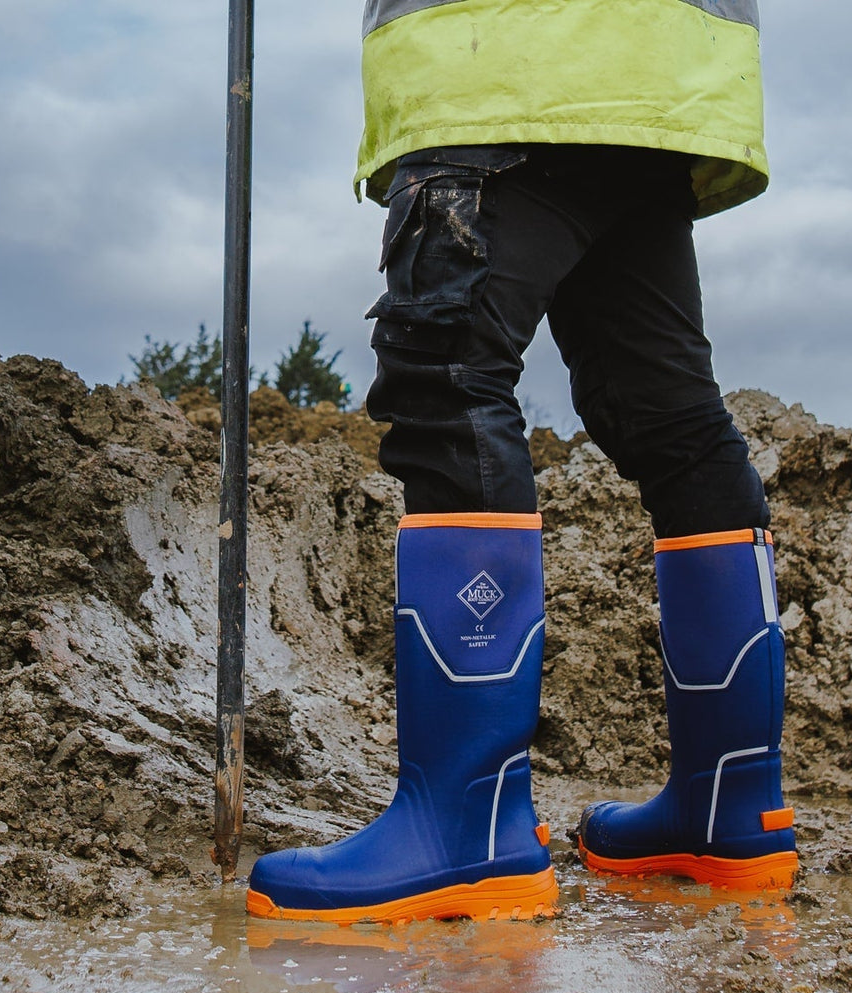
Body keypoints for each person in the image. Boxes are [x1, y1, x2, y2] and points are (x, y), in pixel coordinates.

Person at [246, 0, 797, 923]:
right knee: (671, 419)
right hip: (658, 74)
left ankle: (467, 827)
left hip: (505, 57)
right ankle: (730, 805)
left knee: (445, 383)